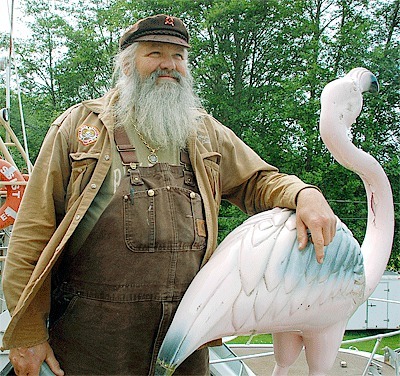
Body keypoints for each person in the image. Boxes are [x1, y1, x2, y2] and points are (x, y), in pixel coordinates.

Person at [2, 14, 336, 376]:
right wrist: (27, 334)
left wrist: (305, 193)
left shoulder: (203, 131)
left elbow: (258, 181)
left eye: (178, 55)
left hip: (184, 336)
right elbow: (32, 232)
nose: (168, 64)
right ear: (127, 65)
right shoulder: (79, 128)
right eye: (155, 53)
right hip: (93, 339)